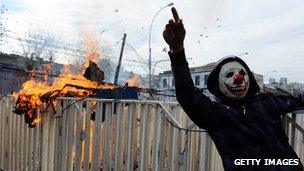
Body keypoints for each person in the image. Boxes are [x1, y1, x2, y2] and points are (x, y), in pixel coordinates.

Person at [163, 7, 304, 171]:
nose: (238, 78)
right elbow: (187, 94)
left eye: (242, 73)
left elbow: (296, 100)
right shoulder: (217, 115)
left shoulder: (266, 100)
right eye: (229, 74)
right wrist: (177, 51)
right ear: (217, 85)